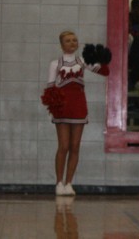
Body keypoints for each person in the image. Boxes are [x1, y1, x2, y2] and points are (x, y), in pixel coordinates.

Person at [43, 31, 110, 196]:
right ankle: (59, 182)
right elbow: (50, 88)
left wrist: (102, 58)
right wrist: (54, 107)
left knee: (74, 146)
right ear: (61, 44)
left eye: (74, 40)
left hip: (79, 107)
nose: (72, 43)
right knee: (63, 146)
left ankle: (69, 183)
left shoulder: (83, 61)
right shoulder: (55, 63)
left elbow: (105, 72)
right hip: (62, 108)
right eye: (68, 40)